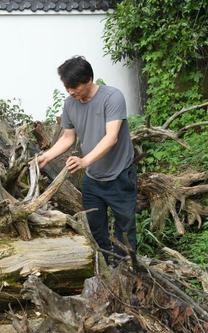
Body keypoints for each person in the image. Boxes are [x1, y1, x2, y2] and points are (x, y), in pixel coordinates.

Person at [37, 56, 137, 262]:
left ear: (89, 80)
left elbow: (111, 137)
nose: (71, 91)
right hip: (93, 179)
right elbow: (67, 137)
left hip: (120, 175)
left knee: (125, 228)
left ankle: (126, 269)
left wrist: (84, 162)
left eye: (74, 86)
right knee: (95, 227)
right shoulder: (70, 104)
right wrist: (45, 156)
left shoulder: (112, 97)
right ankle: (104, 266)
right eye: (67, 87)